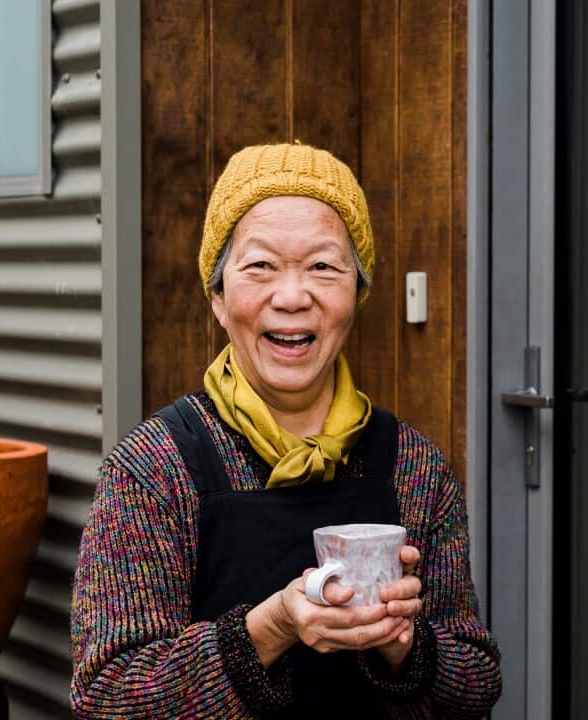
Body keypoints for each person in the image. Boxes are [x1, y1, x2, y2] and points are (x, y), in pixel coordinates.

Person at [70, 143, 502, 718]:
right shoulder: (152, 469)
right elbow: (105, 694)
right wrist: (270, 628)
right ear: (218, 297)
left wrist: (403, 645)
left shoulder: (413, 466)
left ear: (357, 293)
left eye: (324, 266)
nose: (293, 297)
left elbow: (476, 685)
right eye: (261, 267)